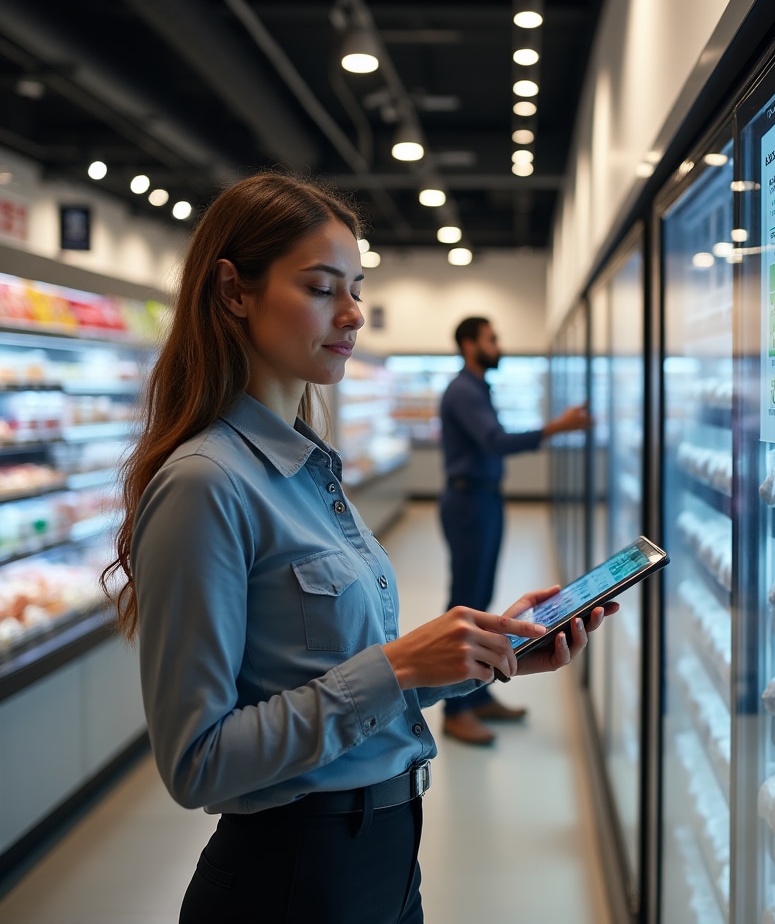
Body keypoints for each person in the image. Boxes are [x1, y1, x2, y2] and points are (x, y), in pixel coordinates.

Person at [99, 172, 616, 924]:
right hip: (293, 879)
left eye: (357, 287)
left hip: (384, 859)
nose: (353, 313)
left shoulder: (308, 468)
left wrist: (472, 659)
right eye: (321, 288)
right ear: (234, 291)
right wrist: (399, 664)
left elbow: (331, 676)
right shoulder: (207, 482)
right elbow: (197, 762)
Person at [438, 316, 592, 746]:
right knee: (467, 604)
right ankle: (454, 710)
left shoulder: (477, 387)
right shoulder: (463, 390)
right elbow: (494, 441)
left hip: (484, 499)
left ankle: (475, 693)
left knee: (481, 599)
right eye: (492, 339)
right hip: (470, 503)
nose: (498, 345)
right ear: (470, 345)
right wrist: (555, 427)